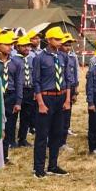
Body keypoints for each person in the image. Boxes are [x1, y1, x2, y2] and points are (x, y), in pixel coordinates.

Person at [32, 27, 71, 178]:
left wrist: (67, 99)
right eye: (57, 39)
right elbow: (36, 82)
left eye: (61, 39)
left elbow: (67, 79)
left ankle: (53, 166)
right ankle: (38, 168)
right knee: (42, 135)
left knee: (57, 133)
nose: (60, 41)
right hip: (46, 97)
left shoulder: (63, 57)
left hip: (60, 97)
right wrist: (41, 103)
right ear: (48, 40)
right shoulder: (39, 58)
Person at [0, 32, 22, 161]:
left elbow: (19, 83)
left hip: (10, 96)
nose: (10, 47)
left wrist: (18, 101)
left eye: (11, 44)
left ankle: (5, 156)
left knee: (9, 126)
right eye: (6, 44)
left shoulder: (16, 62)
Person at [16, 33, 36, 148]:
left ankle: (22, 139)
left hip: (29, 90)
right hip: (17, 90)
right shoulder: (14, 59)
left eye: (28, 45)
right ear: (18, 47)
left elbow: (35, 75)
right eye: (24, 46)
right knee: (13, 116)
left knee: (26, 116)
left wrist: (35, 90)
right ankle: (10, 140)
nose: (27, 48)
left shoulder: (32, 59)